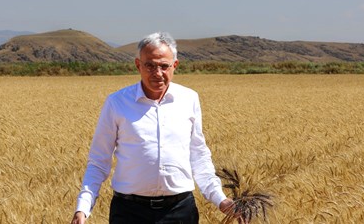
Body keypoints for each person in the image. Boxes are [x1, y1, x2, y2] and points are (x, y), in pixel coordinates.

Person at [71, 32, 241, 224]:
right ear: (138, 65)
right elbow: (98, 161)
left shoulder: (189, 99)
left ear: (174, 66)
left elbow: (199, 156)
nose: (157, 73)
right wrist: (83, 208)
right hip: (129, 213)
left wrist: (221, 199)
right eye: (150, 65)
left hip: (180, 212)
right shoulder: (117, 103)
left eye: (164, 66)